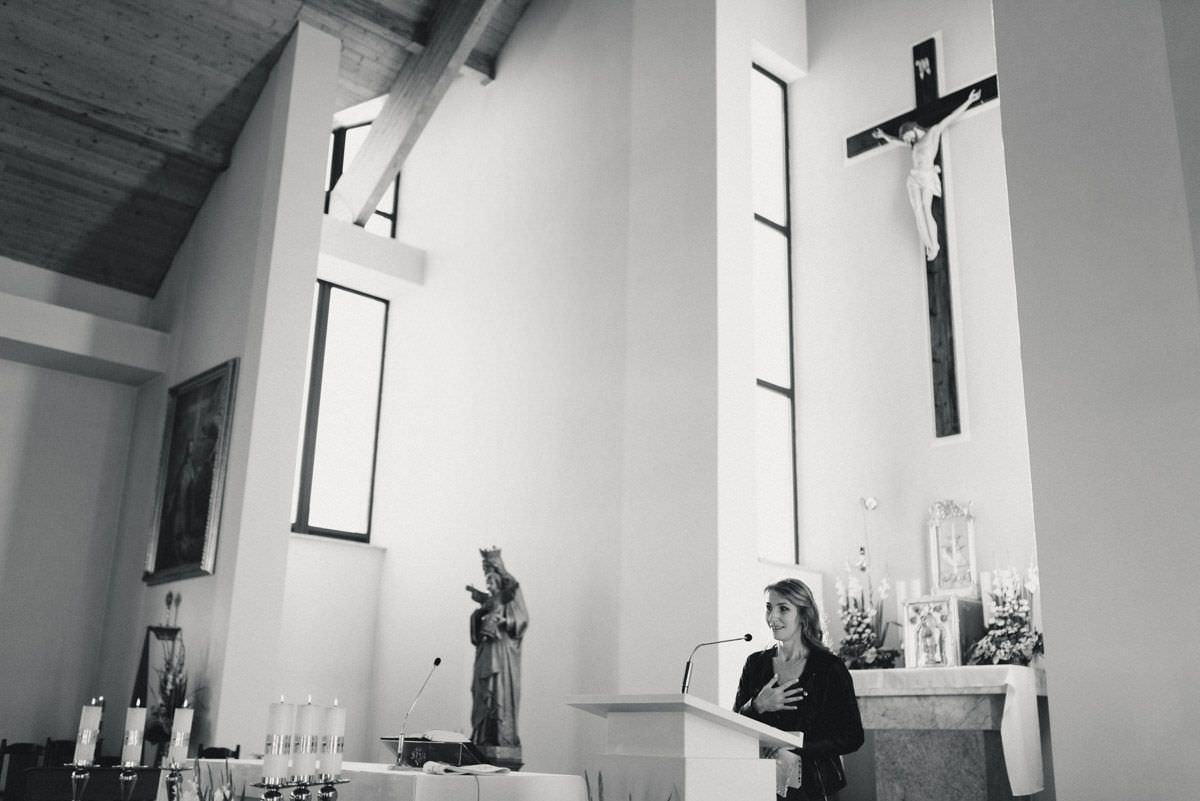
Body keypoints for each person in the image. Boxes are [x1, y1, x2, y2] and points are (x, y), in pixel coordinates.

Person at [735, 578, 864, 800]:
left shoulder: (829, 668)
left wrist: (795, 748)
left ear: (804, 615)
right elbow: (735, 725)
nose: (772, 617)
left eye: (783, 609)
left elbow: (852, 737)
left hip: (814, 787)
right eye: (768, 608)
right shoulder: (755, 664)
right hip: (761, 784)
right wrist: (757, 706)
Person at [873, 87, 982, 261]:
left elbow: (950, 118)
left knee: (926, 207)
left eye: (907, 136)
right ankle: (928, 245)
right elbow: (896, 141)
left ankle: (935, 244)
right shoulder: (913, 144)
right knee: (917, 210)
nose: (907, 140)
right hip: (914, 177)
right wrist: (884, 135)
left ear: (913, 128)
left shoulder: (933, 133)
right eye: (906, 139)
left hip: (927, 174)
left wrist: (969, 101)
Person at [465, 548, 529, 763]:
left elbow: (521, 619)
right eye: (486, 575)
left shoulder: (511, 593)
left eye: (491, 572)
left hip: (503, 654)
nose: (488, 581)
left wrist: (504, 622)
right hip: (486, 651)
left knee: (499, 692)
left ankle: (501, 737)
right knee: (481, 690)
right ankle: (483, 735)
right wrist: (480, 615)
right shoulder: (490, 601)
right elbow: (480, 615)